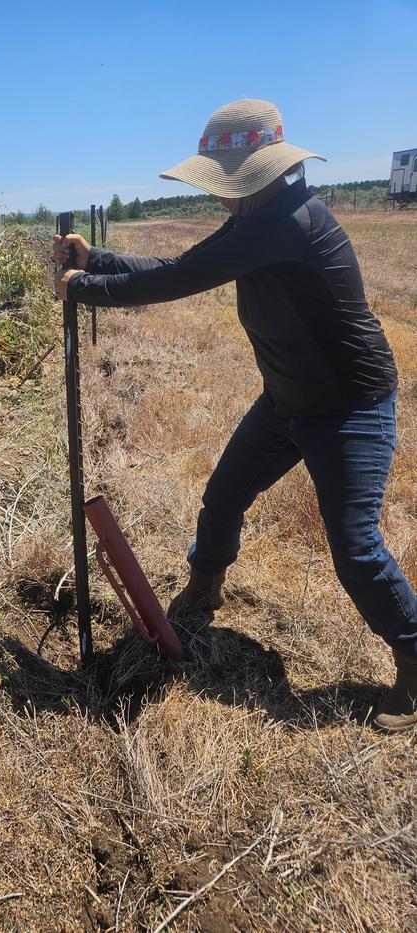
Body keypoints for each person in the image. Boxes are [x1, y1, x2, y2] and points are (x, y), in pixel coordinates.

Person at [54, 99, 417, 733]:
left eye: (228, 182)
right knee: (222, 496)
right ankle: (206, 587)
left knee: (356, 548)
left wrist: (80, 287)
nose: (222, 195)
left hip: (348, 405)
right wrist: (100, 261)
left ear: (261, 173)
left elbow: (179, 282)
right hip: (288, 398)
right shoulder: (262, 215)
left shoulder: (288, 222)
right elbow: (181, 266)